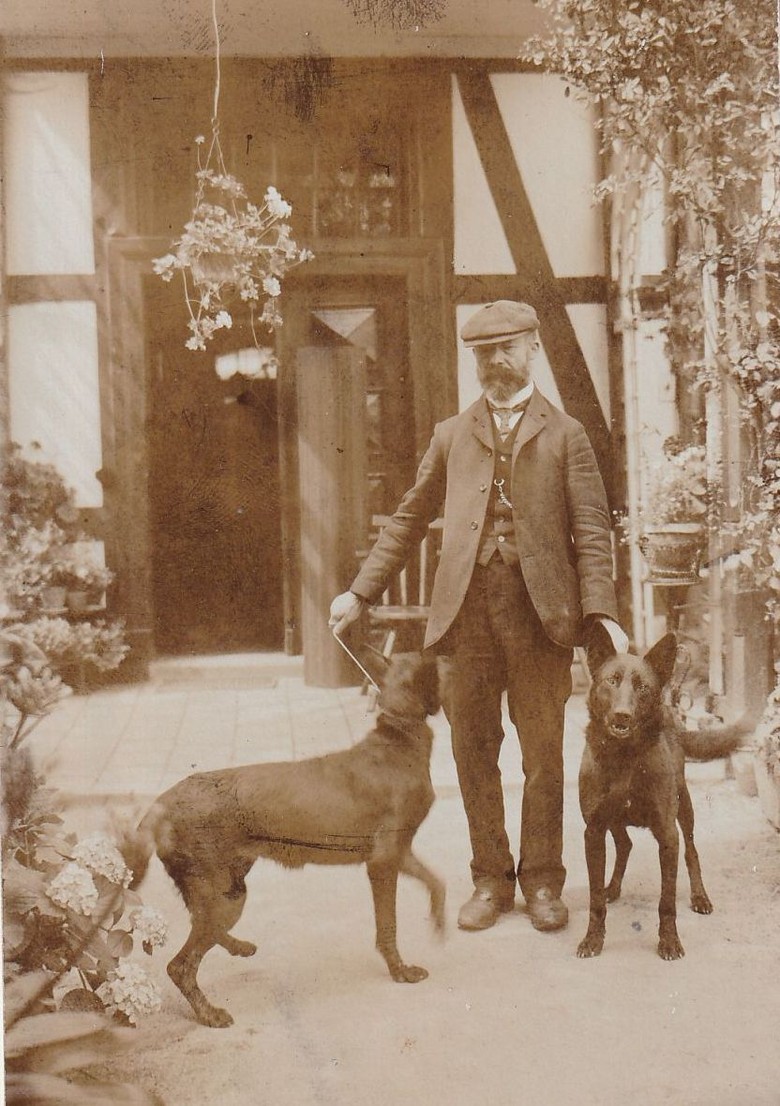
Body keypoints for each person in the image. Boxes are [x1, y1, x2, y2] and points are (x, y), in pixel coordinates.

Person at [329, 300, 628, 933]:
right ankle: (491, 879)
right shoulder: (451, 434)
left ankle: (544, 881)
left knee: (543, 752)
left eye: (507, 349)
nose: (495, 362)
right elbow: (410, 517)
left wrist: (599, 612)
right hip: (463, 621)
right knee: (473, 751)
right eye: (483, 353)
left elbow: (593, 530)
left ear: (533, 350)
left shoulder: (567, 434)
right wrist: (359, 593)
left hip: (541, 618)